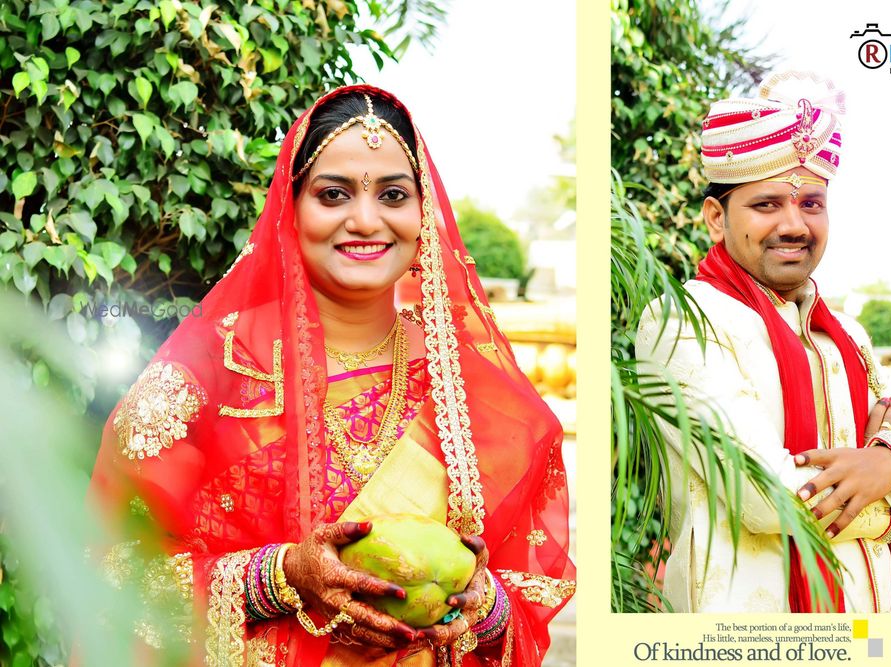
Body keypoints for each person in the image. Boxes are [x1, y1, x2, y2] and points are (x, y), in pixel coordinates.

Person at [87, 85, 574, 665]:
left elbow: (524, 592)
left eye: (393, 194)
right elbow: (112, 572)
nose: (365, 221)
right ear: (291, 209)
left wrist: (482, 606)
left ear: (424, 215)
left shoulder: (466, 385)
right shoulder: (206, 377)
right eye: (333, 194)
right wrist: (280, 575)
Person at [636, 71, 891, 613]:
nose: (794, 224)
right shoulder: (680, 322)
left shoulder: (843, 336)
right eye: (767, 205)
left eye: (811, 203)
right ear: (716, 218)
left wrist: (889, 460)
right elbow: (770, 498)